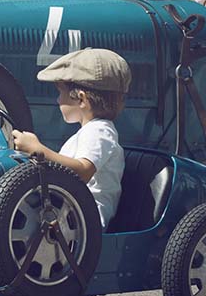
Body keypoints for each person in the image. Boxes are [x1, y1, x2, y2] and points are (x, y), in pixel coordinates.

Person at [11, 48, 130, 231]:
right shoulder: (88, 133)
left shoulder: (100, 131)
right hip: (70, 214)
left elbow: (82, 172)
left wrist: (38, 150)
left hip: (84, 222)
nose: (58, 100)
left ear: (81, 99)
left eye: (61, 93)